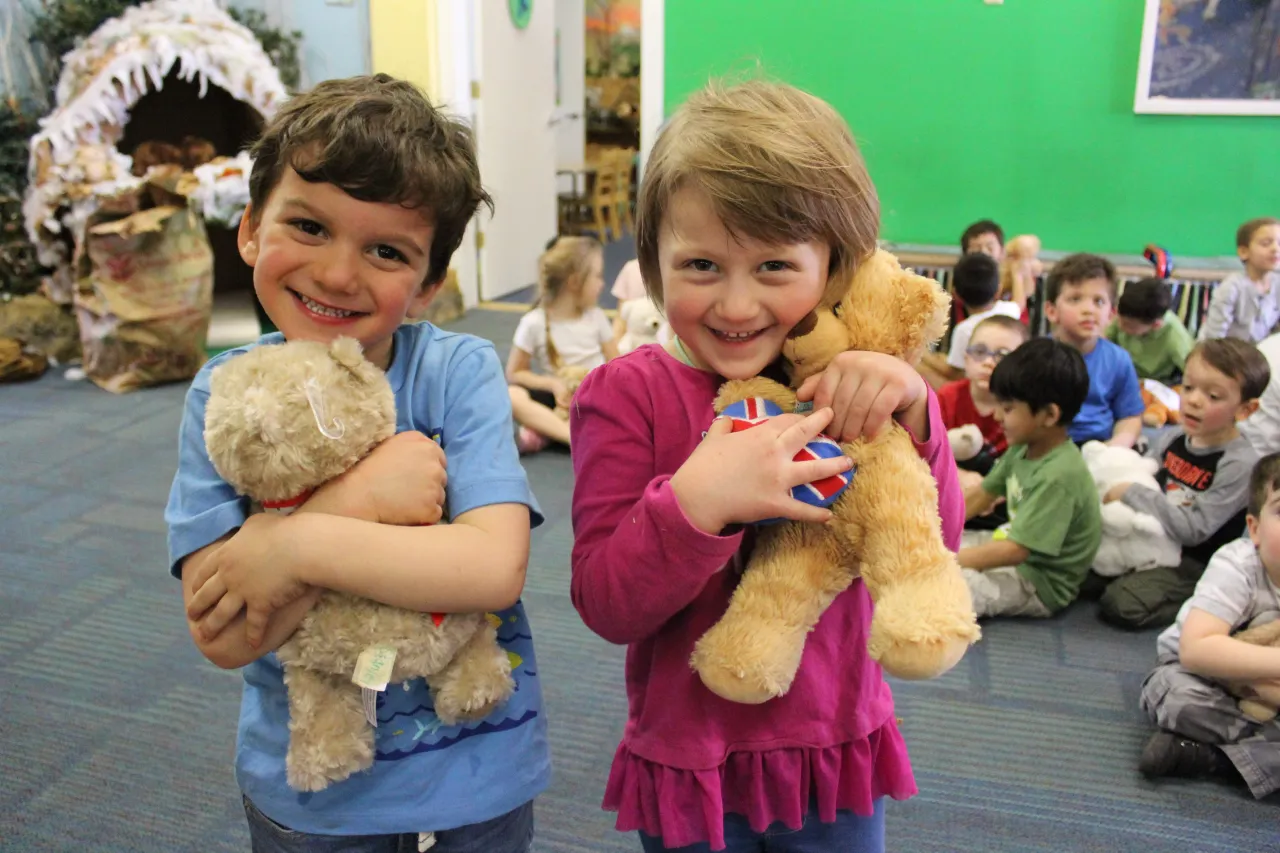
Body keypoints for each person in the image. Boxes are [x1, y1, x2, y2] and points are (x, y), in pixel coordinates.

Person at [569, 79, 963, 853]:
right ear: (654, 265)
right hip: (693, 759)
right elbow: (607, 605)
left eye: (775, 266)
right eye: (702, 265)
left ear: (838, 264)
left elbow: (933, 545)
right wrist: (696, 502)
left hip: (834, 750)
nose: (737, 305)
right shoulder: (625, 395)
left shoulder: (859, 383)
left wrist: (916, 406)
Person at [164, 75, 546, 852]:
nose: (339, 274)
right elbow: (225, 632)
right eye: (308, 226)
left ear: (429, 284)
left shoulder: (458, 371)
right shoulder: (226, 397)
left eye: (385, 250)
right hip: (314, 792)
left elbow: (491, 568)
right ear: (250, 230)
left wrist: (289, 545)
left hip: (475, 769)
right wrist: (357, 499)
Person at [1097, 338, 1268, 629]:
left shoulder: (1239, 463)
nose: (1194, 401)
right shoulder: (1176, 436)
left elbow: (1194, 531)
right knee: (1086, 569)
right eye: (1188, 388)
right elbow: (1146, 472)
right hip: (1154, 537)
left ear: (1245, 410)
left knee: (1120, 604)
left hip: (1193, 562)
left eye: (1213, 396)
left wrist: (1131, 492)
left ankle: (1217, 605)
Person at [1137, 453, 1280, 799]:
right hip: (1200, 677)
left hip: (1268, 698)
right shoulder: (1239, 565)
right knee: (1177, 698)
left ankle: (1211, 759)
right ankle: (1254, 756)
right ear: (1255, 529)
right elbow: (1197, 649)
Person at [960, 338, 1101, 618]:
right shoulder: (1023, 447)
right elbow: (983, 494)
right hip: (1013, 544)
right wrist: (936, 528)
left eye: (1008, 408)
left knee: (956, 587)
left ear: (1049, 415)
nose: (996, 416)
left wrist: (944, 561)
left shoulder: (1059, 475)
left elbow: (1016, 551)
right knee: (946, 544)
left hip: (1039, 581)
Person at [507, 235, 616, 453]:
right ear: (575, 282)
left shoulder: (596, 318)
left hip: (593, 396)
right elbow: (515, 373)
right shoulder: (534, 322)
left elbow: (617, 364)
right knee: (512, 395)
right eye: (597, 276)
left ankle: (546, 430)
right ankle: (570, 436)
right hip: (560, 399)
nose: (602, 284)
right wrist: (553, 385)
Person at [1044, 253, 1145, 447]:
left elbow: (1130, 417)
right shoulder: (1036, 358)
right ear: (1052, 311)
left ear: (1111, 314)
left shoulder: (1119, 360)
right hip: (1048, 445)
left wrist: (1114, 447)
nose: (1088, 310)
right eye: (1075, 299)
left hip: (1101, 445)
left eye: (1098, 301)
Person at [939, 314, 1029, 530]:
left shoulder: (1023, 408)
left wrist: (995, 491)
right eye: (979, 352)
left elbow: (1025, 467)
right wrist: (959, 475)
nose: (988, 362)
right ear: (966, 358)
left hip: (1001, 502)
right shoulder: (947, 397)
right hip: (949, 493)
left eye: (1002, 355)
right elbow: (926, 453)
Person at [919, 251, 1020, 389]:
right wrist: (1017, 272)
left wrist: (923, 354)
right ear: (999, 290)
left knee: (921, 369)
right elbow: (1020, 301)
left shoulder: (965, 329)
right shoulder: (1010, 309)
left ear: (955, 294)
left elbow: (954, 373)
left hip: (979, 386)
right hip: (1009, 382)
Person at [1198, 217, 1280, 343]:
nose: (1275, 249)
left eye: (1279, 243)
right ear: (1243, 252)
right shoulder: (1231, 288)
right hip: (1224, 351)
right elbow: (1214, 338)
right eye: (1265, 244)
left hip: (1259, 352)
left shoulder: (1277, 285)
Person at [1105, 277, 1195, 384]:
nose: (1119, 325)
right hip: (1120, 373)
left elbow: (1194, 374)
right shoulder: (1126, 314)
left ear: (1156, 325)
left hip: (1154, 384)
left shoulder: (1176, 338)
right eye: (1118, 318)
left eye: (1128, 325)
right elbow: (1104, 342)